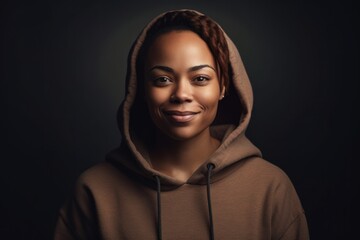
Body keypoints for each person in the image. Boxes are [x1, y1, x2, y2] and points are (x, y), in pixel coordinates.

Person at [54, 9, 309, 240]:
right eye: (163, 79)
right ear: (141, 89)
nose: (181, 94)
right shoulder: (95, 191)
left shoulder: (270, 187)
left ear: (223, 87)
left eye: (200, 78)